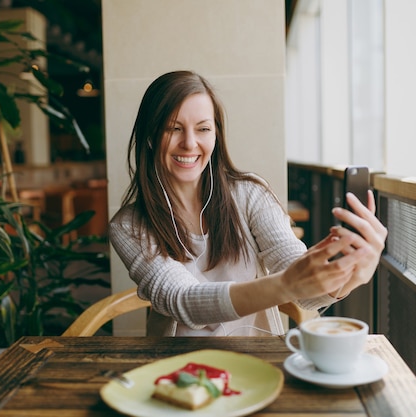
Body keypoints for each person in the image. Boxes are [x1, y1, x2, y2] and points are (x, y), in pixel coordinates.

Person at [109, 70, 387, 337]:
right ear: (149, 136)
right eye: (174, 128)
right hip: (180, 370)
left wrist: (352, 274)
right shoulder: (128, 226)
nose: (190, 143)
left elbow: (305, 293)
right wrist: (287, 284)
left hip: (258, 361)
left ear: (216, 135)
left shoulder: (250, 194)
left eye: (203, 129)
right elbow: (183, 301)